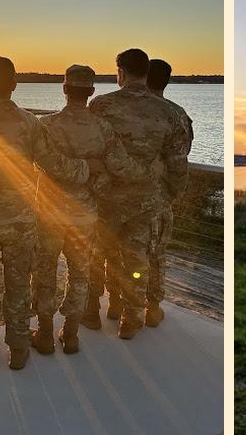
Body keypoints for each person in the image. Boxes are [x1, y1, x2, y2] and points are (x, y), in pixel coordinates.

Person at [0, 56, 97, 374]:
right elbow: (54, 165)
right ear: (14, 84)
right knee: (19, 286)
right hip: (22, 223)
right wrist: (87, 169)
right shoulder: (30, 124)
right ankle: (20, 349)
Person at [30, 65, 158, 354]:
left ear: (64, 88)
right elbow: (119, 167)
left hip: (49, 213)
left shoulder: (47, 125)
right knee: (79, 273)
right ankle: (71, 334)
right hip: (84, 214)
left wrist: (79, 170)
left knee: (44, 272)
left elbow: (45, 163)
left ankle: (45, 333)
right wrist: (149, 173)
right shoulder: (103, 129)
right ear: (91, 92)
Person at [86, 49, 189, 339]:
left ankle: (93, 310)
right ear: (146, 72)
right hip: (146, 202)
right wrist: (169, 194)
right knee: (137, 261)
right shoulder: (171, 113)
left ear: (120, 72)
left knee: (98, 256)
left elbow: (89, 149)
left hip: (105, 200)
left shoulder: (102, 106)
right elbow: (177, 164)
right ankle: (131, 319)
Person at [142, 58, 194, 327]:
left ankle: (119, 304)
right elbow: (180, 161)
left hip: (124, 197)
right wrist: (172, 195)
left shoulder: (127, 110)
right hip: (160, 198)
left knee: (122, 251)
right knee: (156, 254)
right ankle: (151, 307)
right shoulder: (178, 115)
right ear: (168, 81)